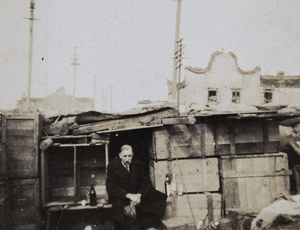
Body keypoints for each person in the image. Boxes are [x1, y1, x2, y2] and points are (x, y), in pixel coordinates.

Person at [106, 144, 167, 230]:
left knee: (157, 195)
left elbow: (145, 182)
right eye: (125, 156)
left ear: (133, 154)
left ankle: (151, 226)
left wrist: (139, 195)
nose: (127, 159)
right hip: (122, 196)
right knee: (120, 211)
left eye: (130, 156)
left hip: (136, 194)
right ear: (120, 155)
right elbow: (111, 188)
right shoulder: (112, 166)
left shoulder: (137, 163)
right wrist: (129, 196)